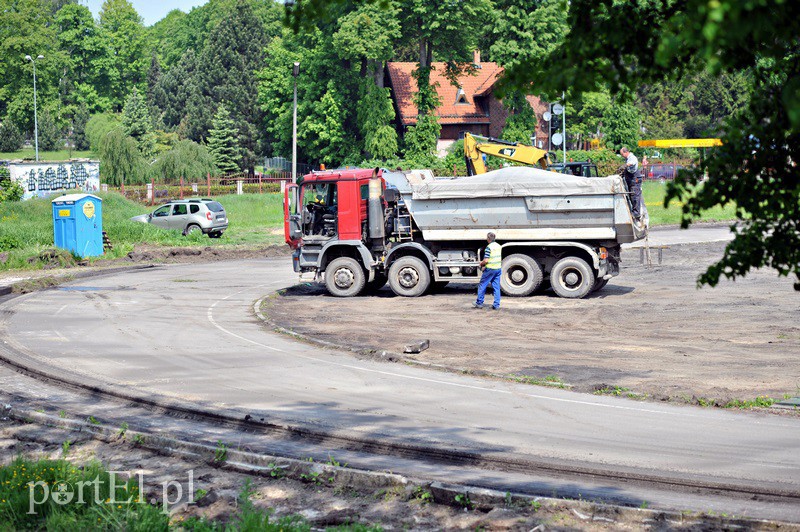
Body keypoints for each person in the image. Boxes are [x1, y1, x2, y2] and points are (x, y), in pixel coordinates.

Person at [473, 232, 502, 310]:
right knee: (496, 287)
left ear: (488, 239)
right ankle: (496, 305)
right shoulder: (499, 246)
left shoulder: (489, 248)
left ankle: (479, 303)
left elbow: (486, 260)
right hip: (498, 269)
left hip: (490, 269)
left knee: (482, 285)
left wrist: (481, 264)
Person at [620, 146, 643, 219]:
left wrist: (625, 165)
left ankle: (636, 213)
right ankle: (633, 211)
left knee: (634, 195)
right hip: (631, 179)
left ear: (626, 152)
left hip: (635, 179)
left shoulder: (632, 157)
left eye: (622, 154)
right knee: (631, 195)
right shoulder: (628, 158)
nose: (622, 156)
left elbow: (632, 163)